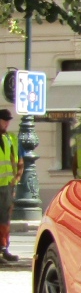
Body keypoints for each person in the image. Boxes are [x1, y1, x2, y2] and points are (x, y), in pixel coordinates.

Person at [0, 108, 24, 261]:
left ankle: (4, 248)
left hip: (6, 186)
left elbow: (19, 160)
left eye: (8, 120)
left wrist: (16, 180)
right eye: (4, 120)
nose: (7, 123)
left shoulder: (11, 138)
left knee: (4, 219)